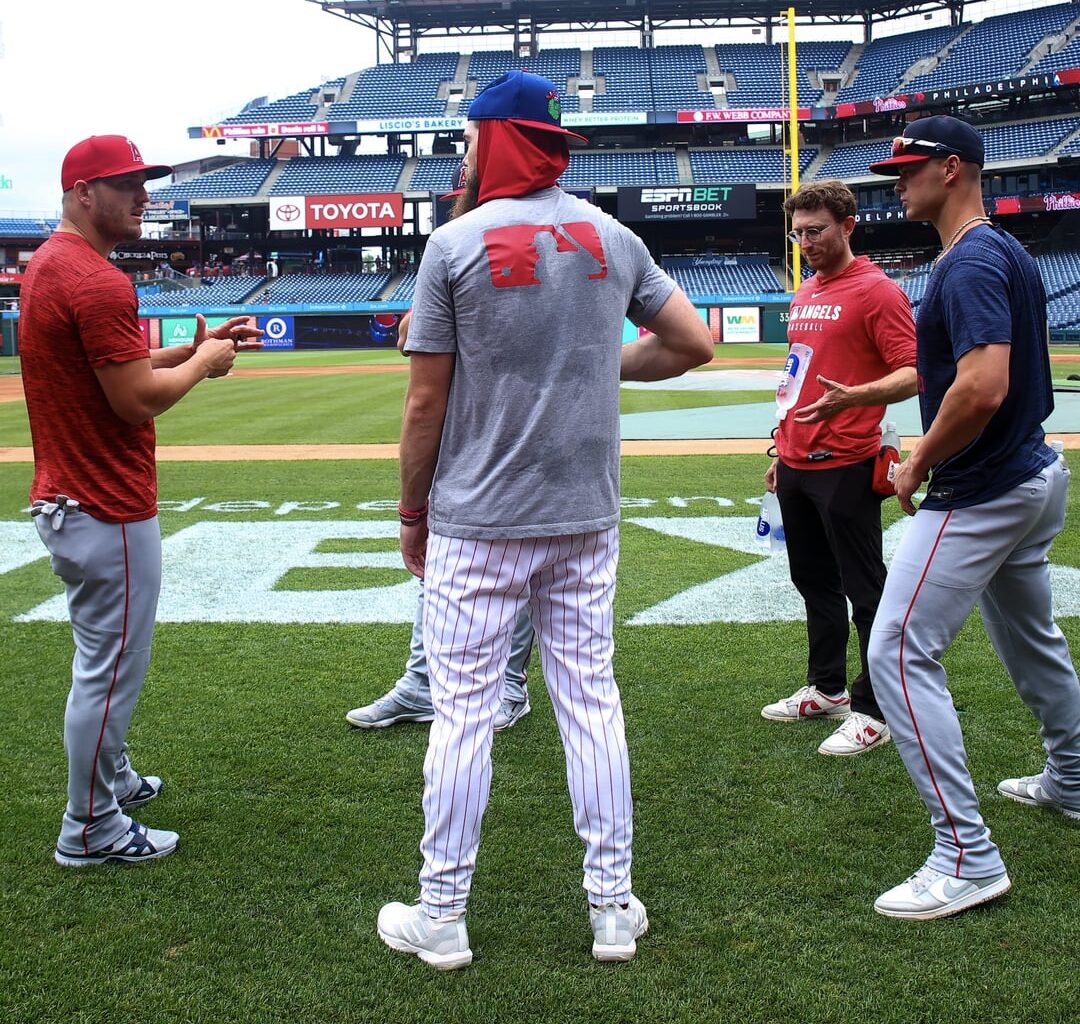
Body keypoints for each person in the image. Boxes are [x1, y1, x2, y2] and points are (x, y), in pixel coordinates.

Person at [375, 70, 714, 969]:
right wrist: (599, 363)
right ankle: (612, 908)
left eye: (471, 138)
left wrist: (411, 511)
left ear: (495, 139)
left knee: (462, 717)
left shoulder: (453, 243)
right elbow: (694, 343)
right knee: (591, 703)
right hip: (583, 515)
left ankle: (442, 914)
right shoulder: (612, 235)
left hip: (477, 519)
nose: (465, 152)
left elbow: (424, 403)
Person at [19, 135, 262, 867]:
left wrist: (187, 352)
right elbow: (134, 401)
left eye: (143, 182)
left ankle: (113, 776)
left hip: (69, 496)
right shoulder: (96, 279)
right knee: (110, 670)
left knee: (100, 659)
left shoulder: (51, 263)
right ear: (83, 192)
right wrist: (204, 364)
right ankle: (90, 826)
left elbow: (109, 368)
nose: (143, 196)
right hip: (106, 502)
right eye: (126, 184)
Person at [866, 115, 1080, 920]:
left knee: (896, 650)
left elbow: (983, 386)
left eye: (908, 168)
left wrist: (918, 459)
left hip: (985, 487)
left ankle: (966, 855)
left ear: (951, 168)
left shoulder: (970, 262)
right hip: (1033, 473)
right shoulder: (1007, 251)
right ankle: (1073, 779)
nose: (897, 182)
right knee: (1033, 641)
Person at [761, 180, 917, 757]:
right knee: (813, 581)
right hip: (796, 459)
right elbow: (797, 375)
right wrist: (780, 445)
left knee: (866, 590)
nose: (806, 243)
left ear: (848, 226)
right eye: (798, 233)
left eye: (816, 231)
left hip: (847, 461)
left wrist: (855, 397)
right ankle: (828, 688)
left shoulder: (878, 291)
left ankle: (876, 709)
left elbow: (914, 371)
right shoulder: (805, 291)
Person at [347, 308, 534, 732]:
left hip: (526, 432)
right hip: (464, 438)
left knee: (522, 560)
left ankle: (509, 686)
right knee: (438, 562)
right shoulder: (458, 272)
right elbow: (406, 338)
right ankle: (421, 685)